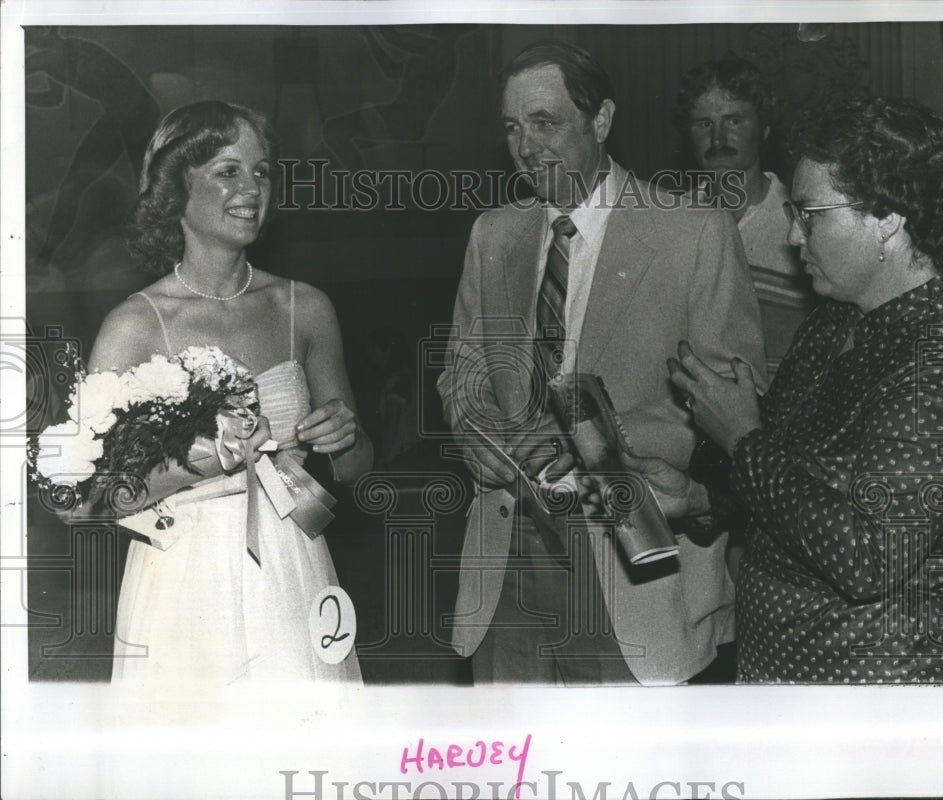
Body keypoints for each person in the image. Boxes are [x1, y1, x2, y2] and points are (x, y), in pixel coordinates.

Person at [437, 41, 767, 685]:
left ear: (602, 120)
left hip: (635, 559)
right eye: (512, 126)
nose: (527, 146)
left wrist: (595, 440)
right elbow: (462, 374)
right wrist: (479, 436)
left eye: (546, 122)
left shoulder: (693, 231)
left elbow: (735, 408)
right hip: (507, 556)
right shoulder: (493, 234)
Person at [660, 96, 943, 683]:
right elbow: (793, 476)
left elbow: (870, 556)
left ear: (888, 217)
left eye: (811, 214)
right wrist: (698, 499)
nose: (793, 236)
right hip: (784, 673)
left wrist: (742, 437)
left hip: (874, 688)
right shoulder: (838, 318)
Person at [87, 101, 373, 682]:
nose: (252, 188)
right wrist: (203, 463)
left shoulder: (305, 307)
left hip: (293, 566)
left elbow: (357, 469)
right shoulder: (136, 324)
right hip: (181, 581)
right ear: (175, 191)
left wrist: (345, 437)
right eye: (228, 171)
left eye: (262, 171)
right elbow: (90, 498)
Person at [676, 58, 811, 378]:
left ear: (764, 128)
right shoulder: (669, 220)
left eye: (734, 121)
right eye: (704, 124)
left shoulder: (799, 225)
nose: (719, 139)